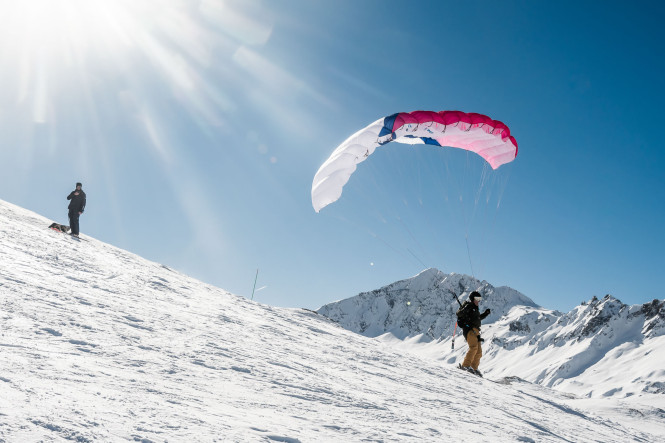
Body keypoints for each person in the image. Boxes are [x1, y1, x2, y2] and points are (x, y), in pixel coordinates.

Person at [458, 291, 491, 376]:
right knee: (473, 347)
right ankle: (465, 366)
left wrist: (485, 314)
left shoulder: (475, 309)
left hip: (476, 331)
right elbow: (461, 315)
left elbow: (478, 318)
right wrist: (464, 313)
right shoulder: (469, 307)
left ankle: (474, 368)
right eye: (477, 299)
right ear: (473, 299)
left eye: (480, 299)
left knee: (479, 351)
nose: (479, 301)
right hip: (469, 330)